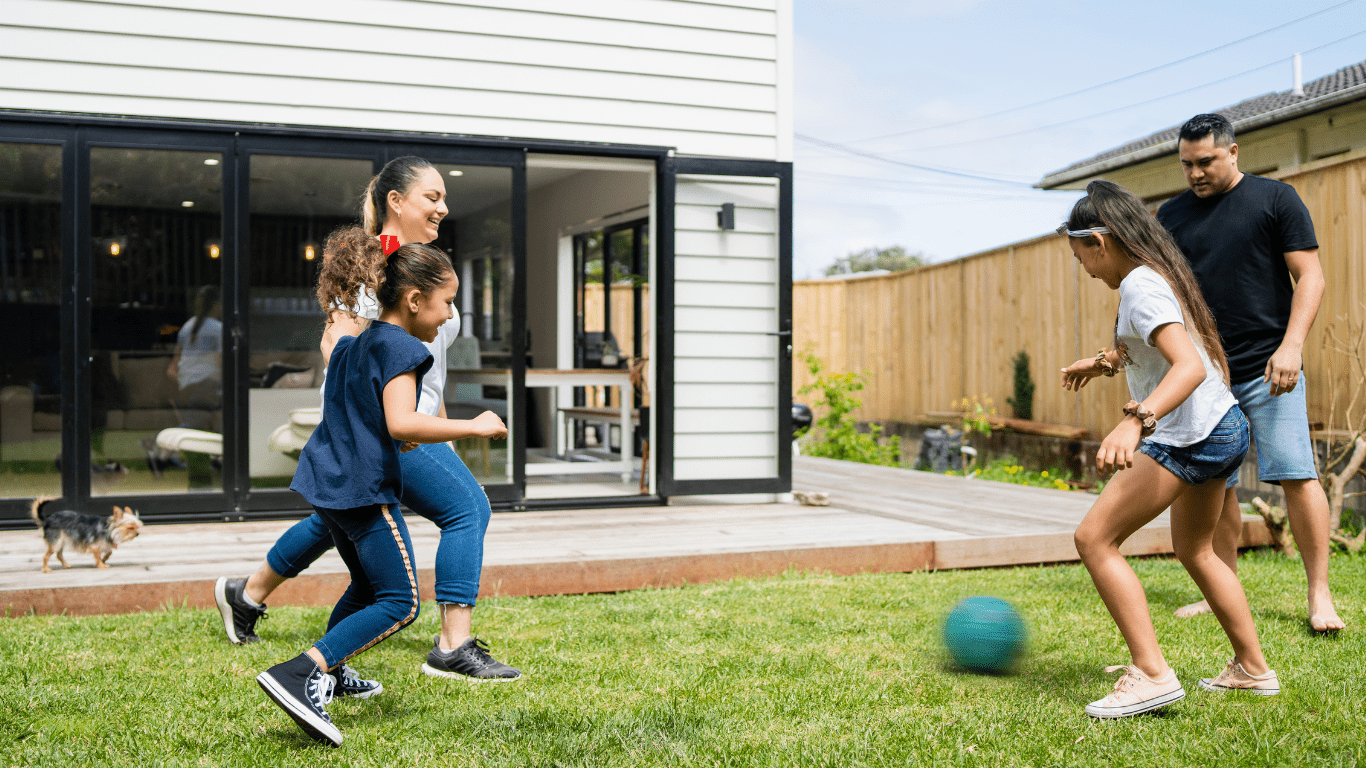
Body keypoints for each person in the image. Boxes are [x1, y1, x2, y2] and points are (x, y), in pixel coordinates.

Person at [218, 156, 519, 690]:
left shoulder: (422, 268)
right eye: (432, 196)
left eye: (444, 197)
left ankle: (248, 594)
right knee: (465, 508)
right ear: (395, 201)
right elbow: (341, 354)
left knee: (342, 522)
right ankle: (453, 646)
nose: (443, 206)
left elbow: (433, 371)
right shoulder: (368, 272)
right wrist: (382, 431)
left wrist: (443, 427)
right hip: (386, 428)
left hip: (411, 423)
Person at [257, 229, 508, 746]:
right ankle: (302, 672)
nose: (448, 316)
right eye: (446, 303)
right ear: (414, 300)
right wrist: (474, 425)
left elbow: (361, 412)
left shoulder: (358, 341)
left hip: (326, 482)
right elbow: (402, 423)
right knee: (400, 601)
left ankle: (330, 674)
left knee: (369, 586)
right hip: (361, 490)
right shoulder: (403, 350)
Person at [1059, 180, 1278, 719]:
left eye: (1079, 254)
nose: (1082, 267)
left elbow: (1189, 365)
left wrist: (1136, 421)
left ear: (1100, 241)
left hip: (1191, 435)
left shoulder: (1140, 285)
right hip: (1223, 426)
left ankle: (1152, 675)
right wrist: (1106, 361)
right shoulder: (1152, 276)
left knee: (1094, 538)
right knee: (1197, 550)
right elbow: (1154, 345)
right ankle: (1252, 669)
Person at [1156, 113, 1344, 633]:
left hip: (1269, 364)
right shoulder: (1172, 216)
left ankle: (1319, 593)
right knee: (1213, 484)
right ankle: (1223, 588)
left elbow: (1310, 276)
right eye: (1187, 165)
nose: (1195, 173)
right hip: (1207, 373)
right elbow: (1162, 294)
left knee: (1295, 473)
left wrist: (1291, 347)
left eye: (1206, 162)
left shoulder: (1275, 199)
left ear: (1234, 152)